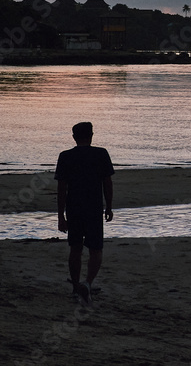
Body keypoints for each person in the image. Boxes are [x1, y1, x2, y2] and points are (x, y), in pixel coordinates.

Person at [54, 121, 114, 305]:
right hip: (94, 207)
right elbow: (107, 183)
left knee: (75, 248)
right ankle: (87, 283)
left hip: (74, 208)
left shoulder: (65, 156)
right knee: (96, 249)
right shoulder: (101, 154)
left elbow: (61, 189)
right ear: (92, 135)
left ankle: (75, 287)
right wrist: (109, 206)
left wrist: (60, 216)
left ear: (74, 137)